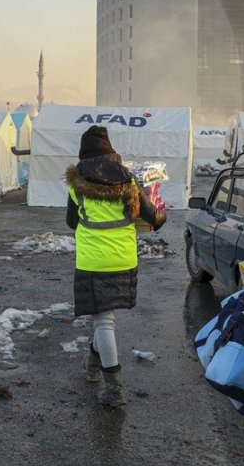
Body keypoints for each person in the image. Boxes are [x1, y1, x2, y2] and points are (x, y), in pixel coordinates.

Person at [65, 125, 166, 406]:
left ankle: (114, 388)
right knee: (105, 319)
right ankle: (91, 365)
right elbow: (154, 217)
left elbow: (71, 222)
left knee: (103, 321)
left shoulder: (77, 186)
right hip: (124, 259)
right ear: (110, 152)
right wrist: (160, 212)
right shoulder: (130, 182)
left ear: (84, 154)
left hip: (92, 260)